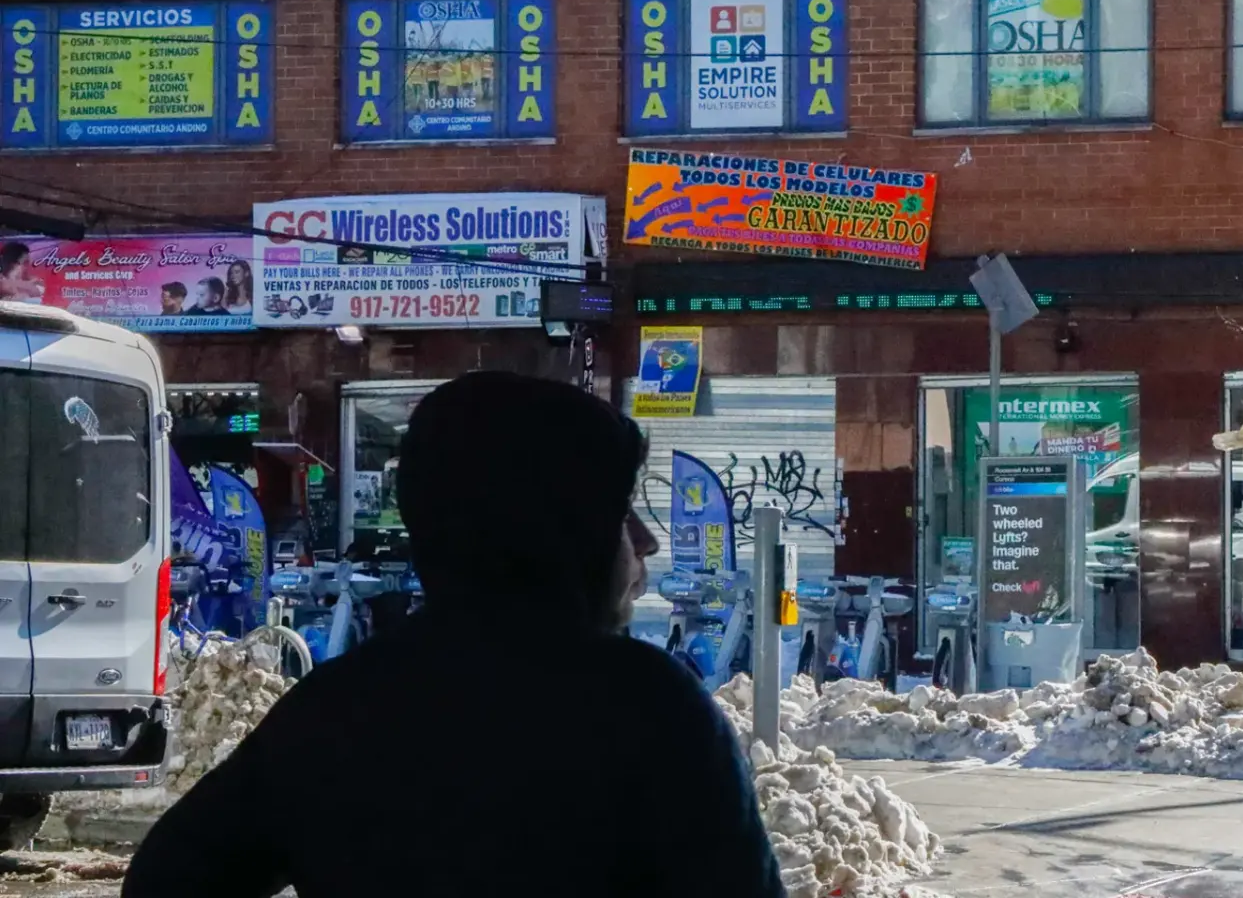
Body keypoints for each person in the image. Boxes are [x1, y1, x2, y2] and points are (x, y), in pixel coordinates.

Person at [123, 372, 785, 897]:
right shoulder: (652, 711)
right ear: (562, 528)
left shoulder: (335, 712)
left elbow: (170, 876)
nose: (648, 540)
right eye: (622, 512)